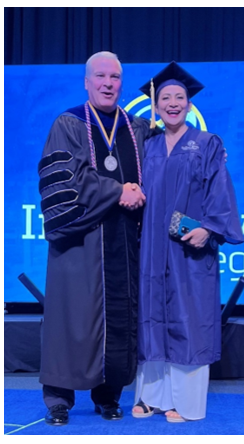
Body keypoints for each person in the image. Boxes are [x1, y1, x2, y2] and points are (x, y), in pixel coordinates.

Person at [37, 51, 157, 426]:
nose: (108, 83)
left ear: (122, 82)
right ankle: (59, 399)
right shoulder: (69, 123)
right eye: (101, 76)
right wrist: (118, 191)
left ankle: (109, 394)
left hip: (123, 242)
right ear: (86, 82)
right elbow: (65, 180)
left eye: (116, 77)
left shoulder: (137, 128)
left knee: (120, 316)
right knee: (70, 317)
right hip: (81, 242)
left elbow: (163, 172)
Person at [130, 62, 244, 423]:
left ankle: (185, 402)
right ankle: (150, 396)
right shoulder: (145, 146)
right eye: (165, 97)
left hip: (189, 248)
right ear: (155, 105)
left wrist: (209, 228)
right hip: (151, 248)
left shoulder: (206, 143)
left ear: (190, 104)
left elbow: (220, 191)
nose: (173, 103)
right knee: (151, 316)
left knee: (188, 318)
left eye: (180, 97)